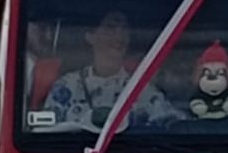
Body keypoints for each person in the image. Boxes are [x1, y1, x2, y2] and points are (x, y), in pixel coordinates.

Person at [44, 10, 181, 129]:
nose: (119, 35)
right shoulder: (67, 87)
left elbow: (175, 126)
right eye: (110, 28)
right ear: (90, 36)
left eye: (124, 29)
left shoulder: (142, 90)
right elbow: (45, 131)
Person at [0, 19, 59, 126]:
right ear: (26, 28)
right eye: (42, 29)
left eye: (53, 29)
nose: (49, 36)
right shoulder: (7, 64)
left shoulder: (69, 66)